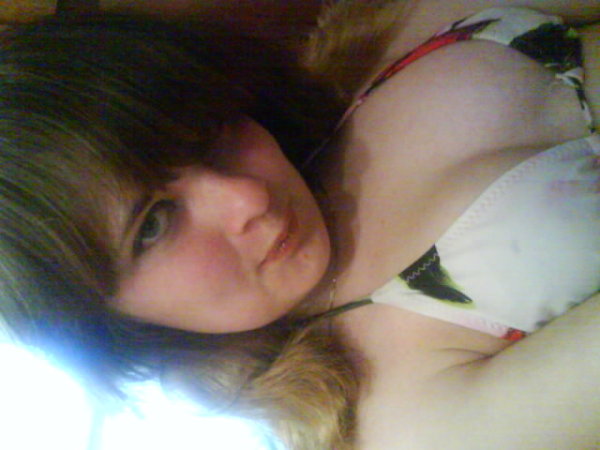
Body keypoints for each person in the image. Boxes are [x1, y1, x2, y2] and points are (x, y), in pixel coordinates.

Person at [0, 0, 598, 448]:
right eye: (153, 226)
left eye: (208, 134)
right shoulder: (398, 415)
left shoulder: (366, 44)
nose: (247, 197)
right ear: (107, 324)